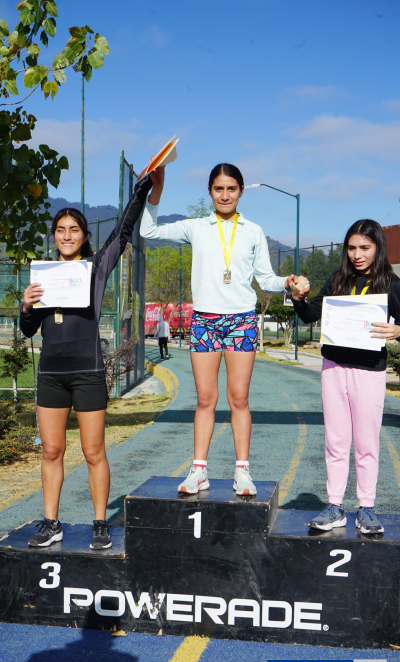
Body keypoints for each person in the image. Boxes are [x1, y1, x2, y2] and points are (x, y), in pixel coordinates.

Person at [140, 162, 309, 496]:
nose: (225, 194)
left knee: (239, 398)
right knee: (204, 398)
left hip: (241, 321)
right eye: (219, 188)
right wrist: (156, 191)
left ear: (241, 191)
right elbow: (149, 231)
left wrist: (287, 282)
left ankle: (242, 472)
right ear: (210, 192)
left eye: (232, 188)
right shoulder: (196, 227)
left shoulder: (253, 231)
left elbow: (266, 279)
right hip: (204, 321)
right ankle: (199, 470)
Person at [20, 175, 152, 549]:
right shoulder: (43, 276)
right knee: (52, 451)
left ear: (84, 236)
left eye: (73, 229)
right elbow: (29, 330)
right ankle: (51, 523)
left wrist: (140, 188)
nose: (66, 235)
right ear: (54, 235)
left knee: (94, 451)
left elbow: (123, 231)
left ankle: (99, 524)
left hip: (88, 373)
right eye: (60, 230)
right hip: (51, 375)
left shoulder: (94, 268)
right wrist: (27, 306)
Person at [291, 219, 400, 534]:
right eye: (352, 247)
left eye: (364, 247)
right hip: (334, 370)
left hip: (369, 373)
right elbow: (311, 315)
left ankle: (366, 509)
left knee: (367, 443)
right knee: (335, 442)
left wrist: (398, 329)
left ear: (377, 247)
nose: (357, 254)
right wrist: (299, 298)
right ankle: (335, 506)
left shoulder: (392, 284)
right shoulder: (338, 280)